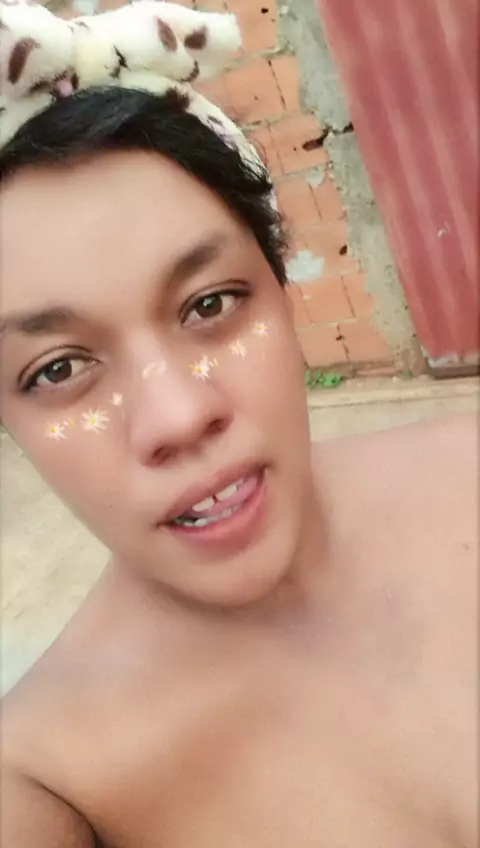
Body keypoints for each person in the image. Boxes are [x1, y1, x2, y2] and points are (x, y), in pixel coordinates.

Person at [0, 2, 477, 846]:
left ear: (281, 288)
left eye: (210, 304)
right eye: (60, 369)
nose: (180, 416)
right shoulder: (45, 778)